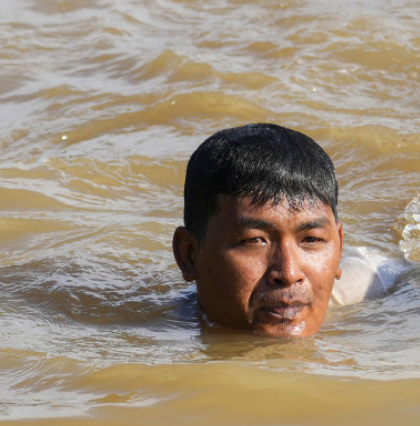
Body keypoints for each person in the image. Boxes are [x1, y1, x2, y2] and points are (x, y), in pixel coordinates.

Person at [172, 123, 401, 338]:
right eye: (254, 241)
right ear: (189, 254)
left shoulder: (381, 282)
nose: (289, 274)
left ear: (339, 247)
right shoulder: (147, 337)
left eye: (311, 239)